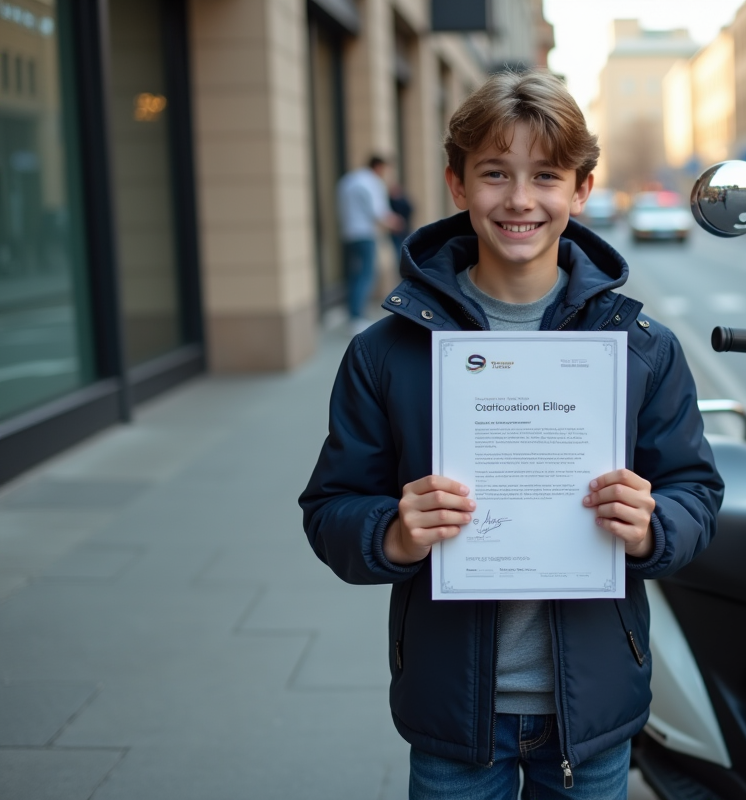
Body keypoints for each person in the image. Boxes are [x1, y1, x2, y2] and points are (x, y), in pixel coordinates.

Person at [299, 70, 723, 799]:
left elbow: (697, 493)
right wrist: (392, 533)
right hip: (454, 715)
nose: (520, 200)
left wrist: (655, 526)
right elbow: (330, 508)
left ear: (581, 190)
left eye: (546, 177)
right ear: (457, 186)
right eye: (495, 173)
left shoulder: (641, 348)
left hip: (590, 710)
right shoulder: (388, 352)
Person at [337, 155, 401, 333]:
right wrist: (395, 222)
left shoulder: (349, 180)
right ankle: (356, 317)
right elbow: (378, 212)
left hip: (348, 234)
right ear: (379, 167)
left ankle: (353, 313)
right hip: (365, 234)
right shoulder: (372, 182)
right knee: (365, 276)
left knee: (354, 276)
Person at [389, 181, 414, 267]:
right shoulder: (391, 201)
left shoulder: (402, 201)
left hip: (404, 230)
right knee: (398, 252)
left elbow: (411, 209)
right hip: (395, 232)